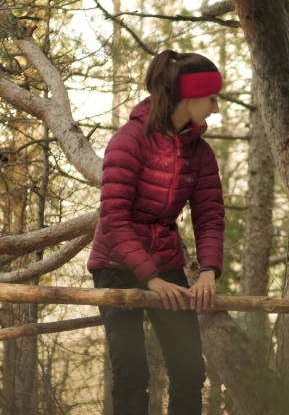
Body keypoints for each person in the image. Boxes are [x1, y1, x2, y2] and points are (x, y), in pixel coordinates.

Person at [87, 50, 225, 415]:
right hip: (115, 265)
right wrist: (150, 280)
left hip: (166, 261)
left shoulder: (200, 153)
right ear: (189, 96)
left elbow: (209, 216)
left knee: (190, 370)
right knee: (131, 374)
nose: (216, 107)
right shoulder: (129, 140)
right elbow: (113, 219)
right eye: (212, 98)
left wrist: (209, 270)